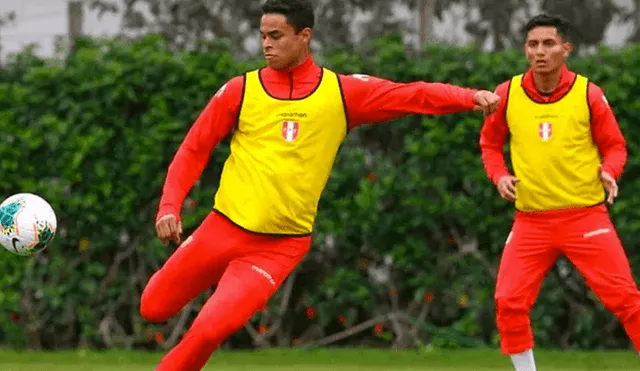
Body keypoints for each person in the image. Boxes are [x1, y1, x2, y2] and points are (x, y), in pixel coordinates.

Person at [140, 0, 500, 369]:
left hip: (277, 247)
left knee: (208, 330)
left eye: (276, 36)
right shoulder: (239, 90)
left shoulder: (341, 94)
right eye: (263, 36)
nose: (266, 44)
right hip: (223, 227)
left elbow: (411, 95)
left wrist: (469, 97)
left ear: (304, 36)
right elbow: (192, 149)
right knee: (152, 307)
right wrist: (169, 206)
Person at [480, 13, 640, 371]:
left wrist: (609, 171)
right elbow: (489, 144)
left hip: (585, 216)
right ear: (525, 50)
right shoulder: (506, 94)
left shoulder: (589, 94)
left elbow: (615, 147)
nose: (540, 52)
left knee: (627, 300)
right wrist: (499, 176)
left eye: (549, 44)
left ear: (566, 49)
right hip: (530, 221)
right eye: (533, 44)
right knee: (508, 301)